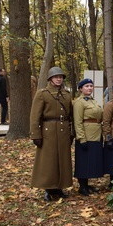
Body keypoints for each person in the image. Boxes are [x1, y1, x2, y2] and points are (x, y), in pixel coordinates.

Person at [30, 67, 73, 201]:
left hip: (63, 130)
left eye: (60, 77)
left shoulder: (67, 94)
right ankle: (48, 189)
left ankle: (60, 187)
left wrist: (72, 132)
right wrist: (36, 134)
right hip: (48, 130)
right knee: (49, 161)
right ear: (50, 79)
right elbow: (34, 116)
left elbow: (71, 115)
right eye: (56, 77)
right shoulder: (42, 93)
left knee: (63, 160)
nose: (59, 79)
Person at [73, 78, 103, 196]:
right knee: (83, 161)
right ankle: (82, 186)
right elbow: (78, 121)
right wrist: (81, 138)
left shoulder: (93, 101)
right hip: (86, 135)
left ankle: (87, 184)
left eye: (91, 86)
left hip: (96, 134)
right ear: (81, 89)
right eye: (87, 86)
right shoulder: (79, 102)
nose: (90, 88)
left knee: (91, 160)